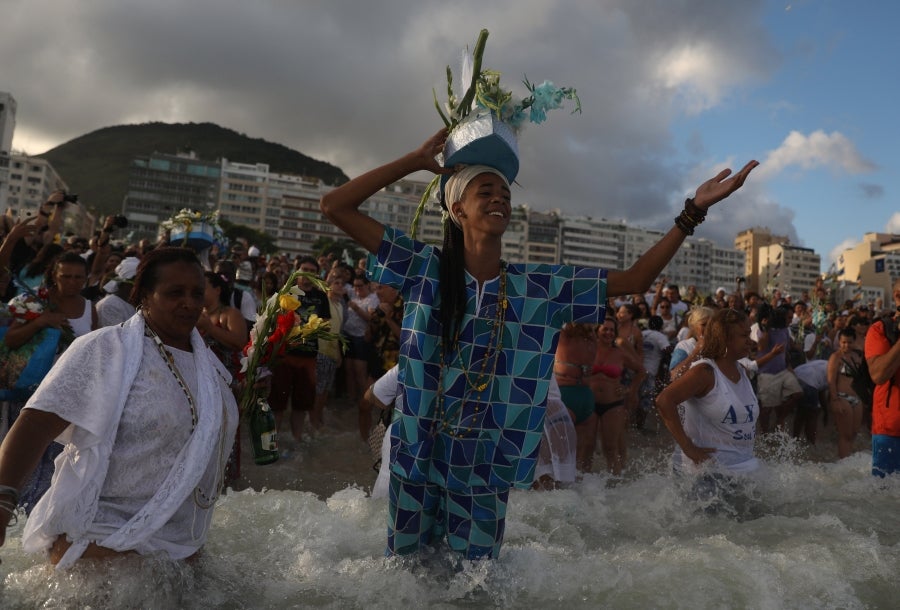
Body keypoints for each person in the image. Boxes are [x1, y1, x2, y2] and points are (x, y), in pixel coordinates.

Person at [320, 124, 755, 559]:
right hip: (418, 452)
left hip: (485, 464)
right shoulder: (422, 266)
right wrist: (413, 163)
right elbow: (335, 205)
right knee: (407, 577)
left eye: (506, 194)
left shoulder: (538, 287)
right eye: (486, 191)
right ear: (457, 209)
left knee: (475, 585)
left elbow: (637, 279)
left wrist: (692, 212)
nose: (500, 199)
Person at [0, 247, 238, 567]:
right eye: (174, 293)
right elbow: (35, 425)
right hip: (102, 548)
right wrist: (2, 504)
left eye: (197, 293)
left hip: (179, 549)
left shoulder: (211, 369)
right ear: (143, 296)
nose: (190, 303)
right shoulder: (104, 349)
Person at [655, 309, 759, 515]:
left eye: (750, 334)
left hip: (742, 469)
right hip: (705, 475)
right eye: (744, 335)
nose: (751, 340)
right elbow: (664, 400)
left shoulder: (742, 371)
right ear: (725, 338)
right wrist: (688, 448)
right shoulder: (704, 372)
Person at [865, 278, 900, 477]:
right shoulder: (880, 330)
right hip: (891, 429)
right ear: (898, 296)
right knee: (885, 497)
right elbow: (878, 375)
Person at [553, 322, 599, 472]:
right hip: (566, 392)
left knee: (583, 453)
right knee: (563, 450)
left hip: (585, 395)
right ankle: (558, 488)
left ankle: (579, 490)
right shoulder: (563, 335)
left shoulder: (592, 338)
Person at [590, 318, 628, 474]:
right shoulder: (589, 348)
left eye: (612, 330)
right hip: (589, 403)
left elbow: (641, 370)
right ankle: (582, 484)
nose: (609, 333)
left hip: (613, 403)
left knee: (610, 448)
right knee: (586, 446)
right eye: (605, 329)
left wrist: (628, 389)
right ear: (597, 330)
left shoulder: (620, 352)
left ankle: (616, 487)